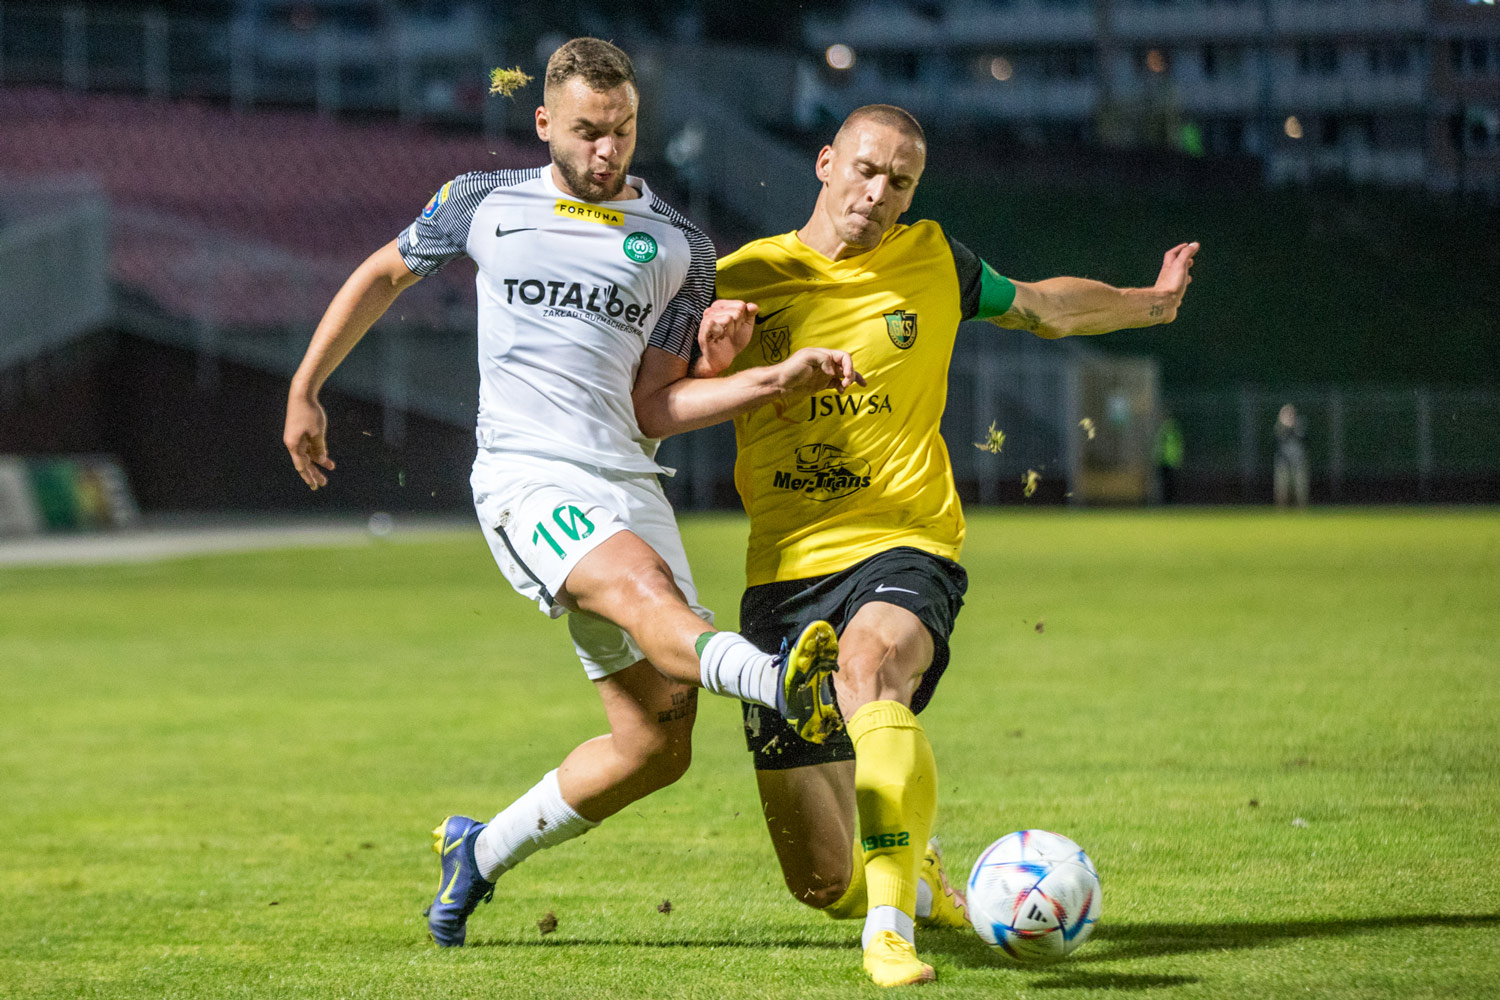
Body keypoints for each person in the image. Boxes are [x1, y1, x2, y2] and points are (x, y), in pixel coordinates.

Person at [281, 38, 866, 949]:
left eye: (624, 130)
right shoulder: (483, 203)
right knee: (647, 595)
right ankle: (777, 683)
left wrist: (763, 378)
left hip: (630, 478)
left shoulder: (680, 246)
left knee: (655, 748)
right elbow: (381, 274)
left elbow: (657, 405)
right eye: (589, 131)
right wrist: (305, 387)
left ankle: (478, 854)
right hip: (526, 474)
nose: (608, 150)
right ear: (546, 122)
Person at [634, 104, 1198, 987]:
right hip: (781, 573)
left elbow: (1046, 307)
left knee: (867, 673)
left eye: (900, 180)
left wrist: (1150, 304)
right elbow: (663, 403)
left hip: (905, 539)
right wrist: (718, 362)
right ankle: (921, 886)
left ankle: (889, 934)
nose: (878, 192)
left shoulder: (937, 261)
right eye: (864, 169)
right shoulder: (742, 278)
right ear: (824, 164)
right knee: (821, 879)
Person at [1274, 403, 1309, 507]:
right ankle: (1281, 510)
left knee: (1300, 488)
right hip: (1283, 461)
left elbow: (1305, 439)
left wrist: (1293, 427)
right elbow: (1279, 440)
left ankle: (1301, 509)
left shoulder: (1299, 425)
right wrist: (1286, 427)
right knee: (1282, 488)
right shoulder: (1279, 427)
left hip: (1298, 461)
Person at [1154, 411, 1185, 503]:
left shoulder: (1166, 430)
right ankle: (1168, 500)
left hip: (1167, 460)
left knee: (1168, 482)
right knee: (1169, 482)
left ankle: (1168, 501)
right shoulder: (1170, 430)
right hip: (1169, 460)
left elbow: (1161, 446)